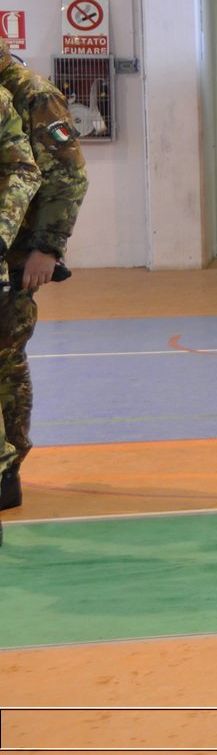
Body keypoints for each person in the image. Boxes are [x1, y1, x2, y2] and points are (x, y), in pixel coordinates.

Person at [0, 50, 49, 515]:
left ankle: (5, 469)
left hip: (7, 253)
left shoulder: (19, 94)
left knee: (6, 360)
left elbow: (32, 171)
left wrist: (46, 245)